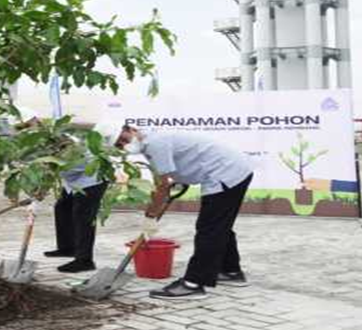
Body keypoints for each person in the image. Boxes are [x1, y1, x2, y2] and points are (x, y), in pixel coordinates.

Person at [99, 121, 253, 299]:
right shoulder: (150, 142)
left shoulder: (155, 143)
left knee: (209, 229)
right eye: (118, 145)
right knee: (218, 226)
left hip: (226, 174)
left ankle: (193, 283)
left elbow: (163, 185)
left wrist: (150, 216)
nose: (123, 145)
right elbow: (173, 172)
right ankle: (231, 271)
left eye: (122, 139)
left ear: (130, 129)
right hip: (232, 170)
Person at [44, 156, 106, 274]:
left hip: (91, 181)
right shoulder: (56, 149)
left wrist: (48, 169)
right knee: (62, 208)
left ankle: (84, 261)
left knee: (83, 219)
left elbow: (72, 167)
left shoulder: (79, 150)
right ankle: (68, 248)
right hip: (73, 182)